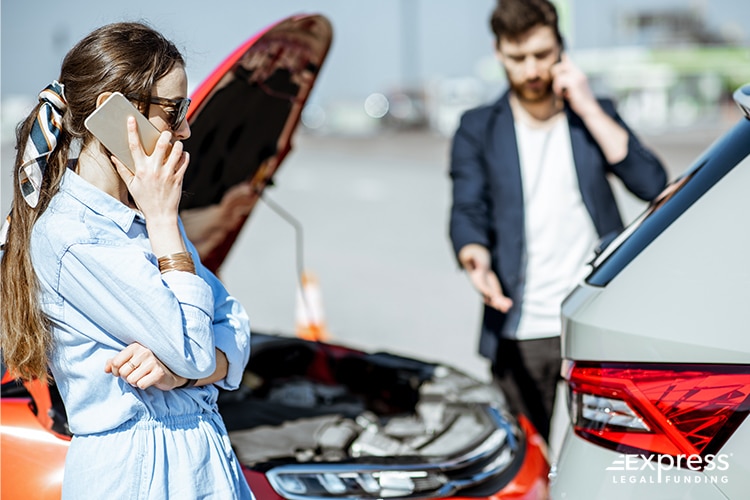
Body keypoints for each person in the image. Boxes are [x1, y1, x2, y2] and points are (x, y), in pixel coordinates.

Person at [0, 22, 254, 499]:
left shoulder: (147, 212)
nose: (186, 128)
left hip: (200, 462)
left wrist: (183, 371)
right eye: (173, 110)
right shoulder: (73, 238)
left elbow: (233, 322)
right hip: (140, 474)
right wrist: (163, 222)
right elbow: (201, 346)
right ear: (113, 114)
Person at [448, 0, 667, 442]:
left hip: (594, 320)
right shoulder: (478, 128)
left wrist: (586, 106)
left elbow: (651, 182)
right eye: (518, 57)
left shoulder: (592, 114)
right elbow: (467, 208)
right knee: (528, 460)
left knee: (612, 457)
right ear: (498, 53)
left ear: (562, 50)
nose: (531, 70)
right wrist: (476, 260)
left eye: (542, 55)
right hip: (520, 328)